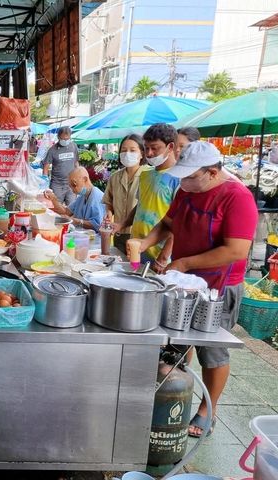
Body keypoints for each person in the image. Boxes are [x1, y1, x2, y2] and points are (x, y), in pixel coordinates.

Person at [133, 141, 258, 437]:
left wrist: (186, 263)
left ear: (213, 173)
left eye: (190, 177)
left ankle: (207, 410)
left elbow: (236, 250)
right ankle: (174, 391)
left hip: (218, 287)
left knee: (211, 351)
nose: (183, 183)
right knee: (176, 340)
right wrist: (143, 244)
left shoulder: (237, 197)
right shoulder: (188, 190)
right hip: (183, 281)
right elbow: (168, 224)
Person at [112, 123, 181, 266]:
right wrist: (121, 224)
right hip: (138, 247)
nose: (149, 153)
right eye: (146, 148)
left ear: (170, 147)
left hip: (160, 256)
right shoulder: (146, 175)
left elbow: (180, 225)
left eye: (155, 148)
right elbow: (140, 206)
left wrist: (163, 257)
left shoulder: (180, 178)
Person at [102, 134, 149, 254]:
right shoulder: (115, 177)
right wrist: (108, 212)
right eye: (123, 150)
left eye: (132, 150)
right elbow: (109, 201)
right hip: (118, 233)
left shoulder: (148, 176)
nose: (127, 154)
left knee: (137, 268)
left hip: (140, 236)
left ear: (142, 153)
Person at [45, 167, 105, 232]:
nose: (72, 190)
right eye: (71, 186)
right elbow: (66, 211)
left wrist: (76, 221)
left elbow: (98, 225)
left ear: (85, 179)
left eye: (74, 185)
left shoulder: (97, 197)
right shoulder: (82, 196)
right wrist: (53, 199)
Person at [42, 127, 79, 205]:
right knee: (56, 209)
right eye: (63, 139)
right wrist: (45, 184)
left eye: (67, 139)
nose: (65, 141)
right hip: (57, 185)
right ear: (58, 137)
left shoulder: (73, 146)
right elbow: (46, 167)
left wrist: (78, 177)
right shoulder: (52, 150)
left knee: (72, 208)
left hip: (71, 184)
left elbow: (76, 163)